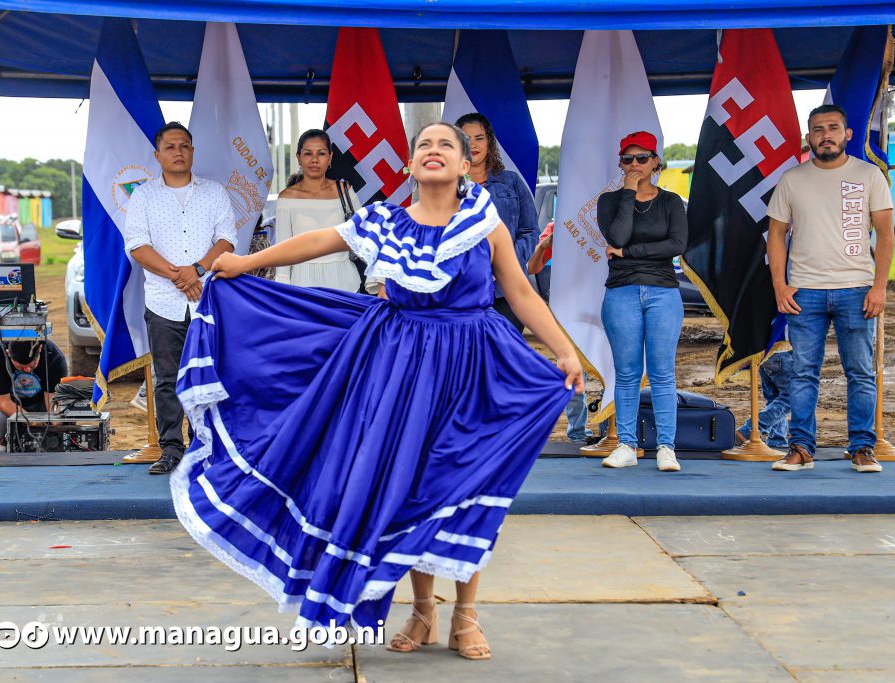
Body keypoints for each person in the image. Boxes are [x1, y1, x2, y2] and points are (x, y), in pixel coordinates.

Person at [170, 122, 583, 660]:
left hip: (472, 366)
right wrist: (248, 263)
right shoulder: (386, 221)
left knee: (462, 484)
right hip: (401, 370)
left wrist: (564, 349)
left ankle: (466, 614)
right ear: (410, 164)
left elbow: (521, 292)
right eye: (424, 144)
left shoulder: (485, 222)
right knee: (405, 487)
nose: (433, 150)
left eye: (446, 145)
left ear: (465, 165)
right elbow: (318, 241)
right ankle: (423, 611)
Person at [767, 104, 894, 473]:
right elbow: (776, 234)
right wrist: (780, 285)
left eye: (833, 128)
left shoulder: (869, 176)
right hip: (804, 292)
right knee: (803, 372)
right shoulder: (792, 179)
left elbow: (886, 234)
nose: (826, 135)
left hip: (857, 289)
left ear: (847, 134)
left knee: (860, 372)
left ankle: (862, 448)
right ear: (809, 137)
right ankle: (801, 449)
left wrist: (879, 287)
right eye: (818, 129)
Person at [123, 121, 237, 475]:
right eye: (170, 147)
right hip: (163, 301)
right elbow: (137, 245)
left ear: (193, 151)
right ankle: (172, 449)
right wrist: (179, 275)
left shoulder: (214, 192)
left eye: (184, 145)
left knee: (211, 374)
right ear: (158, 155)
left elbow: (227, 239)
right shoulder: (144, 196)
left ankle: (208, 447)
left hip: (207, 299)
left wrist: (197, 270)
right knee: (167, 378)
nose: (178, 152)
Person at [597, 131, 687, 472]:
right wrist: (628, 193)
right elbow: (617, 235)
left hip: (663, 291)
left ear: (655, 162)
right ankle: (627, 444)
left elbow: (677, 245)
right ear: (620, 164)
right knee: (627, 373)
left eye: (642, 158)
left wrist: (628, 252)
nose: (635, 164)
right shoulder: (610, 201)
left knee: (663, 372)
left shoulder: (671, 202)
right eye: (628, 159)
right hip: (621, 291)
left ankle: (666, 447)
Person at [456, 112, 538, 332]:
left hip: (508, 290)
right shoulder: (445, 185)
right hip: (462, 291)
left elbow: (530, 230)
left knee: (505, 350)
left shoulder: (511, 181)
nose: (473, 145)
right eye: (466, 139)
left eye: (479, 138)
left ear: (489, 142)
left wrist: (508, 259)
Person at [528, 224, 598, 445]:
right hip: (570, 310)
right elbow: (532, 267)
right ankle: (577, 431)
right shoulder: (560, 225)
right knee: (574, 371)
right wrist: (544, 245)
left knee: (615, 371)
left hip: (603, 304)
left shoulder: (608, 221)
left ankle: (618, 433)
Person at [275, 129, 362, 291]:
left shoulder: (345, 191)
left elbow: (366, 235)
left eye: (321, 153)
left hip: (345, 283)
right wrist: (282, 291)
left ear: (330, 158)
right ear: (299, 158)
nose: (314, 159)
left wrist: (380, 278)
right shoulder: (286, 198)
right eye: (308, 153)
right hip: (302, 285)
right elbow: (282, 251)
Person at [0, 340, 67, 448]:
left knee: (66, 415)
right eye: (21, 367)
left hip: (41, 403)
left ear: (40, 349)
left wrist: (56, 423)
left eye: (32, 365)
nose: (27, 370)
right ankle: (11, 445)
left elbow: (53, 397)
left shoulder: (53, 356)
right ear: (8, 353)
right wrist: (31, 421)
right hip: (7, 404)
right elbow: (3, 402)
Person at [735, 350, 793, 449]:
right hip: (782, 352)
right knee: (791, 399)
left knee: (775, 399)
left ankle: (777, 442)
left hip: (764, 354)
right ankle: (747, 431)